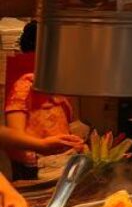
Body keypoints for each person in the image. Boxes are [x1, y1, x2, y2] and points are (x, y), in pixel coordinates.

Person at [4, 22, 83, 180]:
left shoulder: (56, 81)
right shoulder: (25, 82)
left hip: (61, 159)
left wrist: (78, 139)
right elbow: (15, 134)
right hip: (34, 164)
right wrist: (41, 146)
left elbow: (71, 121)